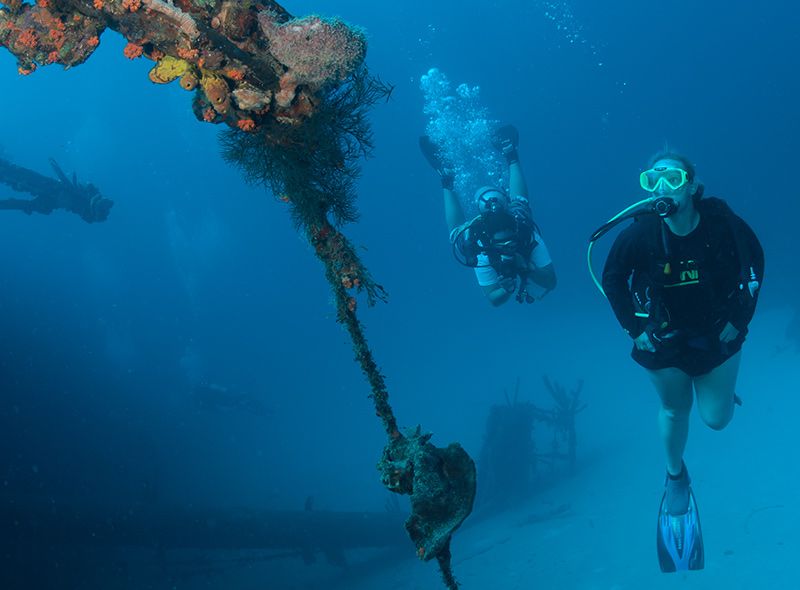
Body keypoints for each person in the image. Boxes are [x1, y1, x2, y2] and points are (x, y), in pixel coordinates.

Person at [599, 150, 764, 571]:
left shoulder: (722, 224)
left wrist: (740, 319)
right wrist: (633, 330)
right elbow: (612, 278)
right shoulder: (640, 235)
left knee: (716, 419)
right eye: (651, 180)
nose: (661, 189)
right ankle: (676, 477)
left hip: (717, 335)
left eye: (671, 178)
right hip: (664, 340)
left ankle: (723, 392)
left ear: (691, 184)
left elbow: (755, 264)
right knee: (675, 409)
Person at [420, 125, 556, 306]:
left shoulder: (526, 235)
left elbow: (551, 282)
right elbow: (494, 299)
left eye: (510, 243)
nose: (508, 248)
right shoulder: (480, 247)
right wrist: (505, 289)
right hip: (483, 234)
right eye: (503, 245)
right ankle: (509, 156)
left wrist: (529, 269)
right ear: (491, 244)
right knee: (460, 234)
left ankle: (447, 178)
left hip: (514, 223)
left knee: (519, 207)